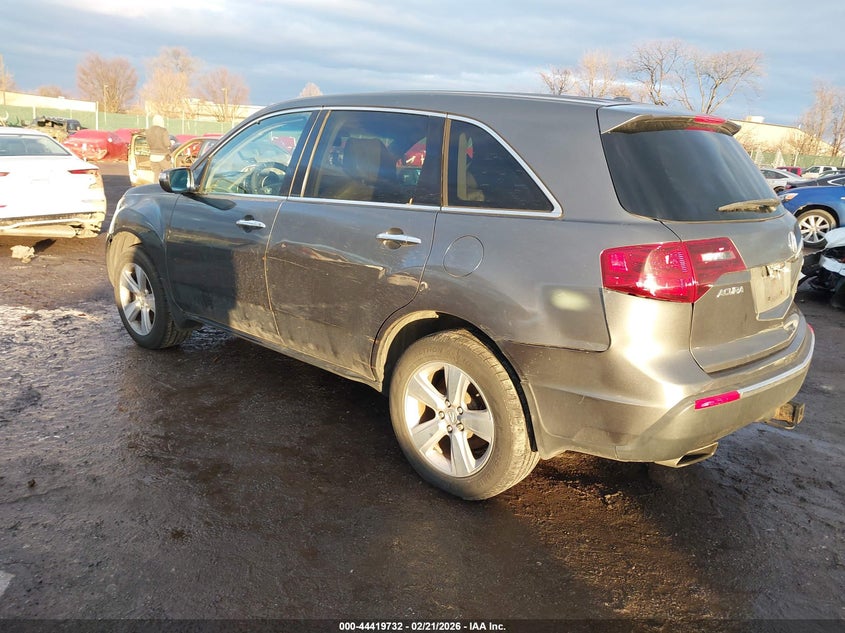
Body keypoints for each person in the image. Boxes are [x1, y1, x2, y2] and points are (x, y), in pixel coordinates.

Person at [146, 115, 172, 181]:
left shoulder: (148, 131)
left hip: (153, 156)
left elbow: (148, 143)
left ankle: (155, 189)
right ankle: (166, 190)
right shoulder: (163, 130)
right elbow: (167, 144)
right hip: (163, 156)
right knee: (167, 174)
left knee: (156, 175)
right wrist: (170, 144)